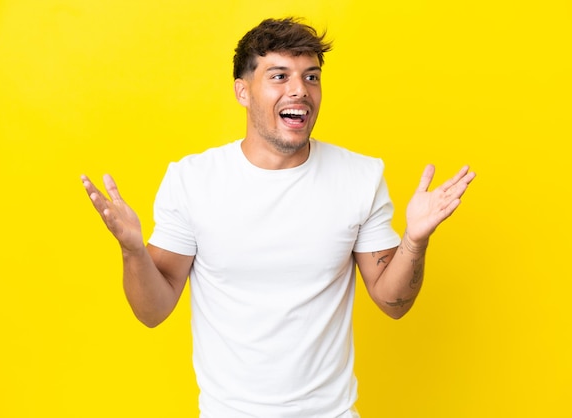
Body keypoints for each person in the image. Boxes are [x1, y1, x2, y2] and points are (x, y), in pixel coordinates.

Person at [82, 17, 475, 418]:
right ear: (242, 91)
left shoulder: (361, 177)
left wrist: (415, 239)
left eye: (311, 77)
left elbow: (394, 302)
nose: (299, 90)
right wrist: (133, 251)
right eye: (279, 75)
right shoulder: (193, 180)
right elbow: (153, 311)